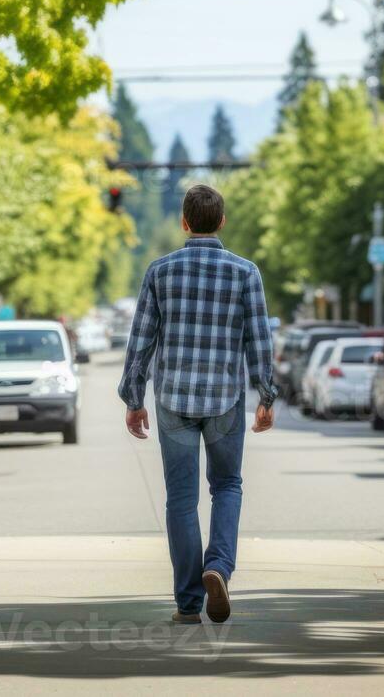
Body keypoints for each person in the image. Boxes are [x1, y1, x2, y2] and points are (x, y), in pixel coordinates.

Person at [117, 183, 278, 625]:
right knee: (227, 485)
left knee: (181, 500)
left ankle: (188, 601)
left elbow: (141, 340)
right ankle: (218, 566)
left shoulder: (160, 271)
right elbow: (259, 339)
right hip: (225, 399)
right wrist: (266, 394)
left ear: (184, 223)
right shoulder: (246, 272)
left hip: (173, 400)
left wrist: (134, 398)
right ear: (221, 221)